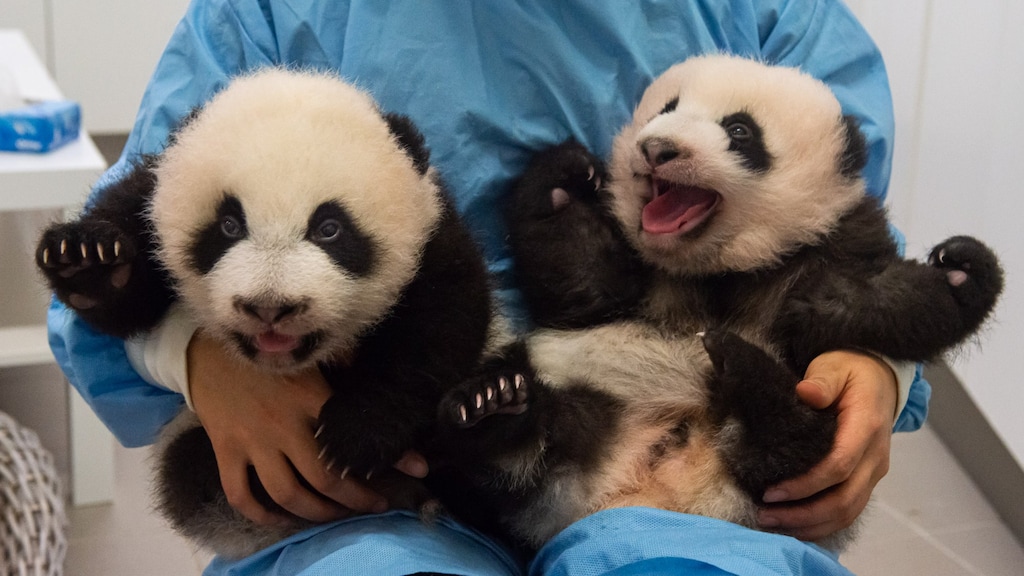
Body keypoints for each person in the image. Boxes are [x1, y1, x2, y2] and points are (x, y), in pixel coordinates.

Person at [48, 1, 929, 574]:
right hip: (357, 467)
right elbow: (127, 241)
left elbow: (847, 229)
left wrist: (874, 360)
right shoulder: (272, 18)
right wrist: (199, 355)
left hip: (679, 451)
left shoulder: (776, 19)